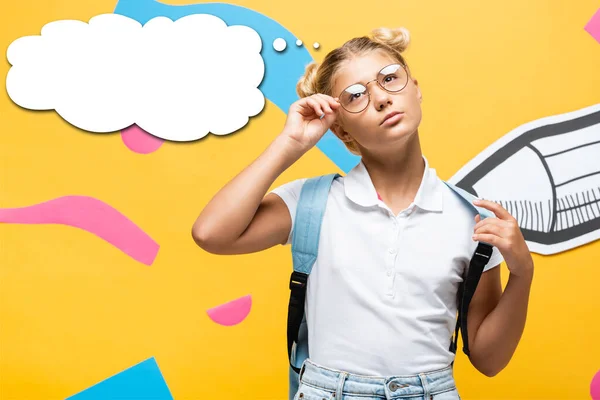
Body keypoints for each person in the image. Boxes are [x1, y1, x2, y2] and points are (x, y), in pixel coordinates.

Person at [192, 26, 534, 400]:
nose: (382, 99)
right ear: (340, 130)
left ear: (415, 88)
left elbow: (489, 360)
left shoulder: (471, 219)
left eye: (390, 79)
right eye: (355, 95)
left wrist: (523, 273)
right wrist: (290, 143)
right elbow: (211, 233)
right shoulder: (312, 202)